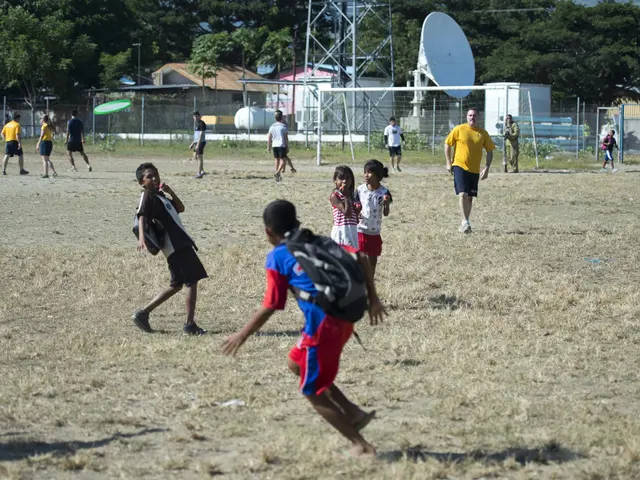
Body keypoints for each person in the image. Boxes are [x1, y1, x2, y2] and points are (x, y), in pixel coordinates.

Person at [222, 199, 386, 458]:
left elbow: (272, 305)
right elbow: (362, 256)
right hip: (345, 319)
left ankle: (361, 446)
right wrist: (373, 299)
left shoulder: (277, 256)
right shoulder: (317, 241)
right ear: (296, 222)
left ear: (268, 231)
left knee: (312, 391)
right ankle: (353, 412)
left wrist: (242, 334)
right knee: (296, 363)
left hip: (324, 326)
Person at [132, 163, 208, 335]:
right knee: (191, 281)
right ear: (141, 182)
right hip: (176, 245)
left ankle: (143, 313)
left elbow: (180, 208)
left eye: (156, 174)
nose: (154, 178)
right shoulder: (147, 195)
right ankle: (190, 325)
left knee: (177, 284)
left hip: (180, 243)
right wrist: (142, 238)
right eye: (149, 176)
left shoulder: (160, 197)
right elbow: (141, 215)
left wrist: (170, 191)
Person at [445, 108, 495, 234]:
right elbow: (447, 144)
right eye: (470, 115)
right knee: (462, 194)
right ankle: (465, 222)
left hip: (474, 169)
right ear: (466, 117)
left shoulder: (483, 133)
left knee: (470, 197)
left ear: (478, 117)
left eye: (474, 115)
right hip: (459, 166)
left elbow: (490, 150)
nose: (472, 117)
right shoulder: (459, 129)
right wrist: (448, 162)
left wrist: (487, 168)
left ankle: (465, 222)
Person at [355, 160, 392, 277]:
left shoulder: (384, 192)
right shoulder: (360, 190)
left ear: (378, 175)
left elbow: (386, 213)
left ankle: (370, 281)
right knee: (359, 259)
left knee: (372, 261)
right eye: (365, 172)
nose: (366, 175)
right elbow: (354, 207)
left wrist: (386, 204)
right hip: (360, 230)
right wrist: (356, 213)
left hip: (374, 232)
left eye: (370, 172)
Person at [330, 166, 359, 250]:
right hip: (342, 232)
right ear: (335, 180)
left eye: (348, 178)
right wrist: (346, 196)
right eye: (341, 178)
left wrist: (357, 212)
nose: (345, 181)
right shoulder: (335, 196)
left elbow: (354, 220)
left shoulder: (351, 196)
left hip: (351, 231)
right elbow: (347, 214)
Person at [267, 110, 292, 182]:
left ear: (275, 118)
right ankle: (277, 172)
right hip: (281, 145)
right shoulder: (283, 126)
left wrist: (268, 146)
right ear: (282, 117)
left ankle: (278, 176)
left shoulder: (272, 127)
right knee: (283, 160)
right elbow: (285, 138)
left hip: (274, 145)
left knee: (276, 159)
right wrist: (287, 146)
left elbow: (269, 137)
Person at [189, 111, 207, 179]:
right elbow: (196, 136)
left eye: (197, 116)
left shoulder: (201, 123)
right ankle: (202, 171)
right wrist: (192, 143)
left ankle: (199, 174)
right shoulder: (198, 124)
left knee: (200, 158)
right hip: (197, 143)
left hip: (201, 143)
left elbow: (201, 135)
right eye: (194, 116)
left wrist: (198, 145)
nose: (195, 117)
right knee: (195, 156)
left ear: (200, 116)